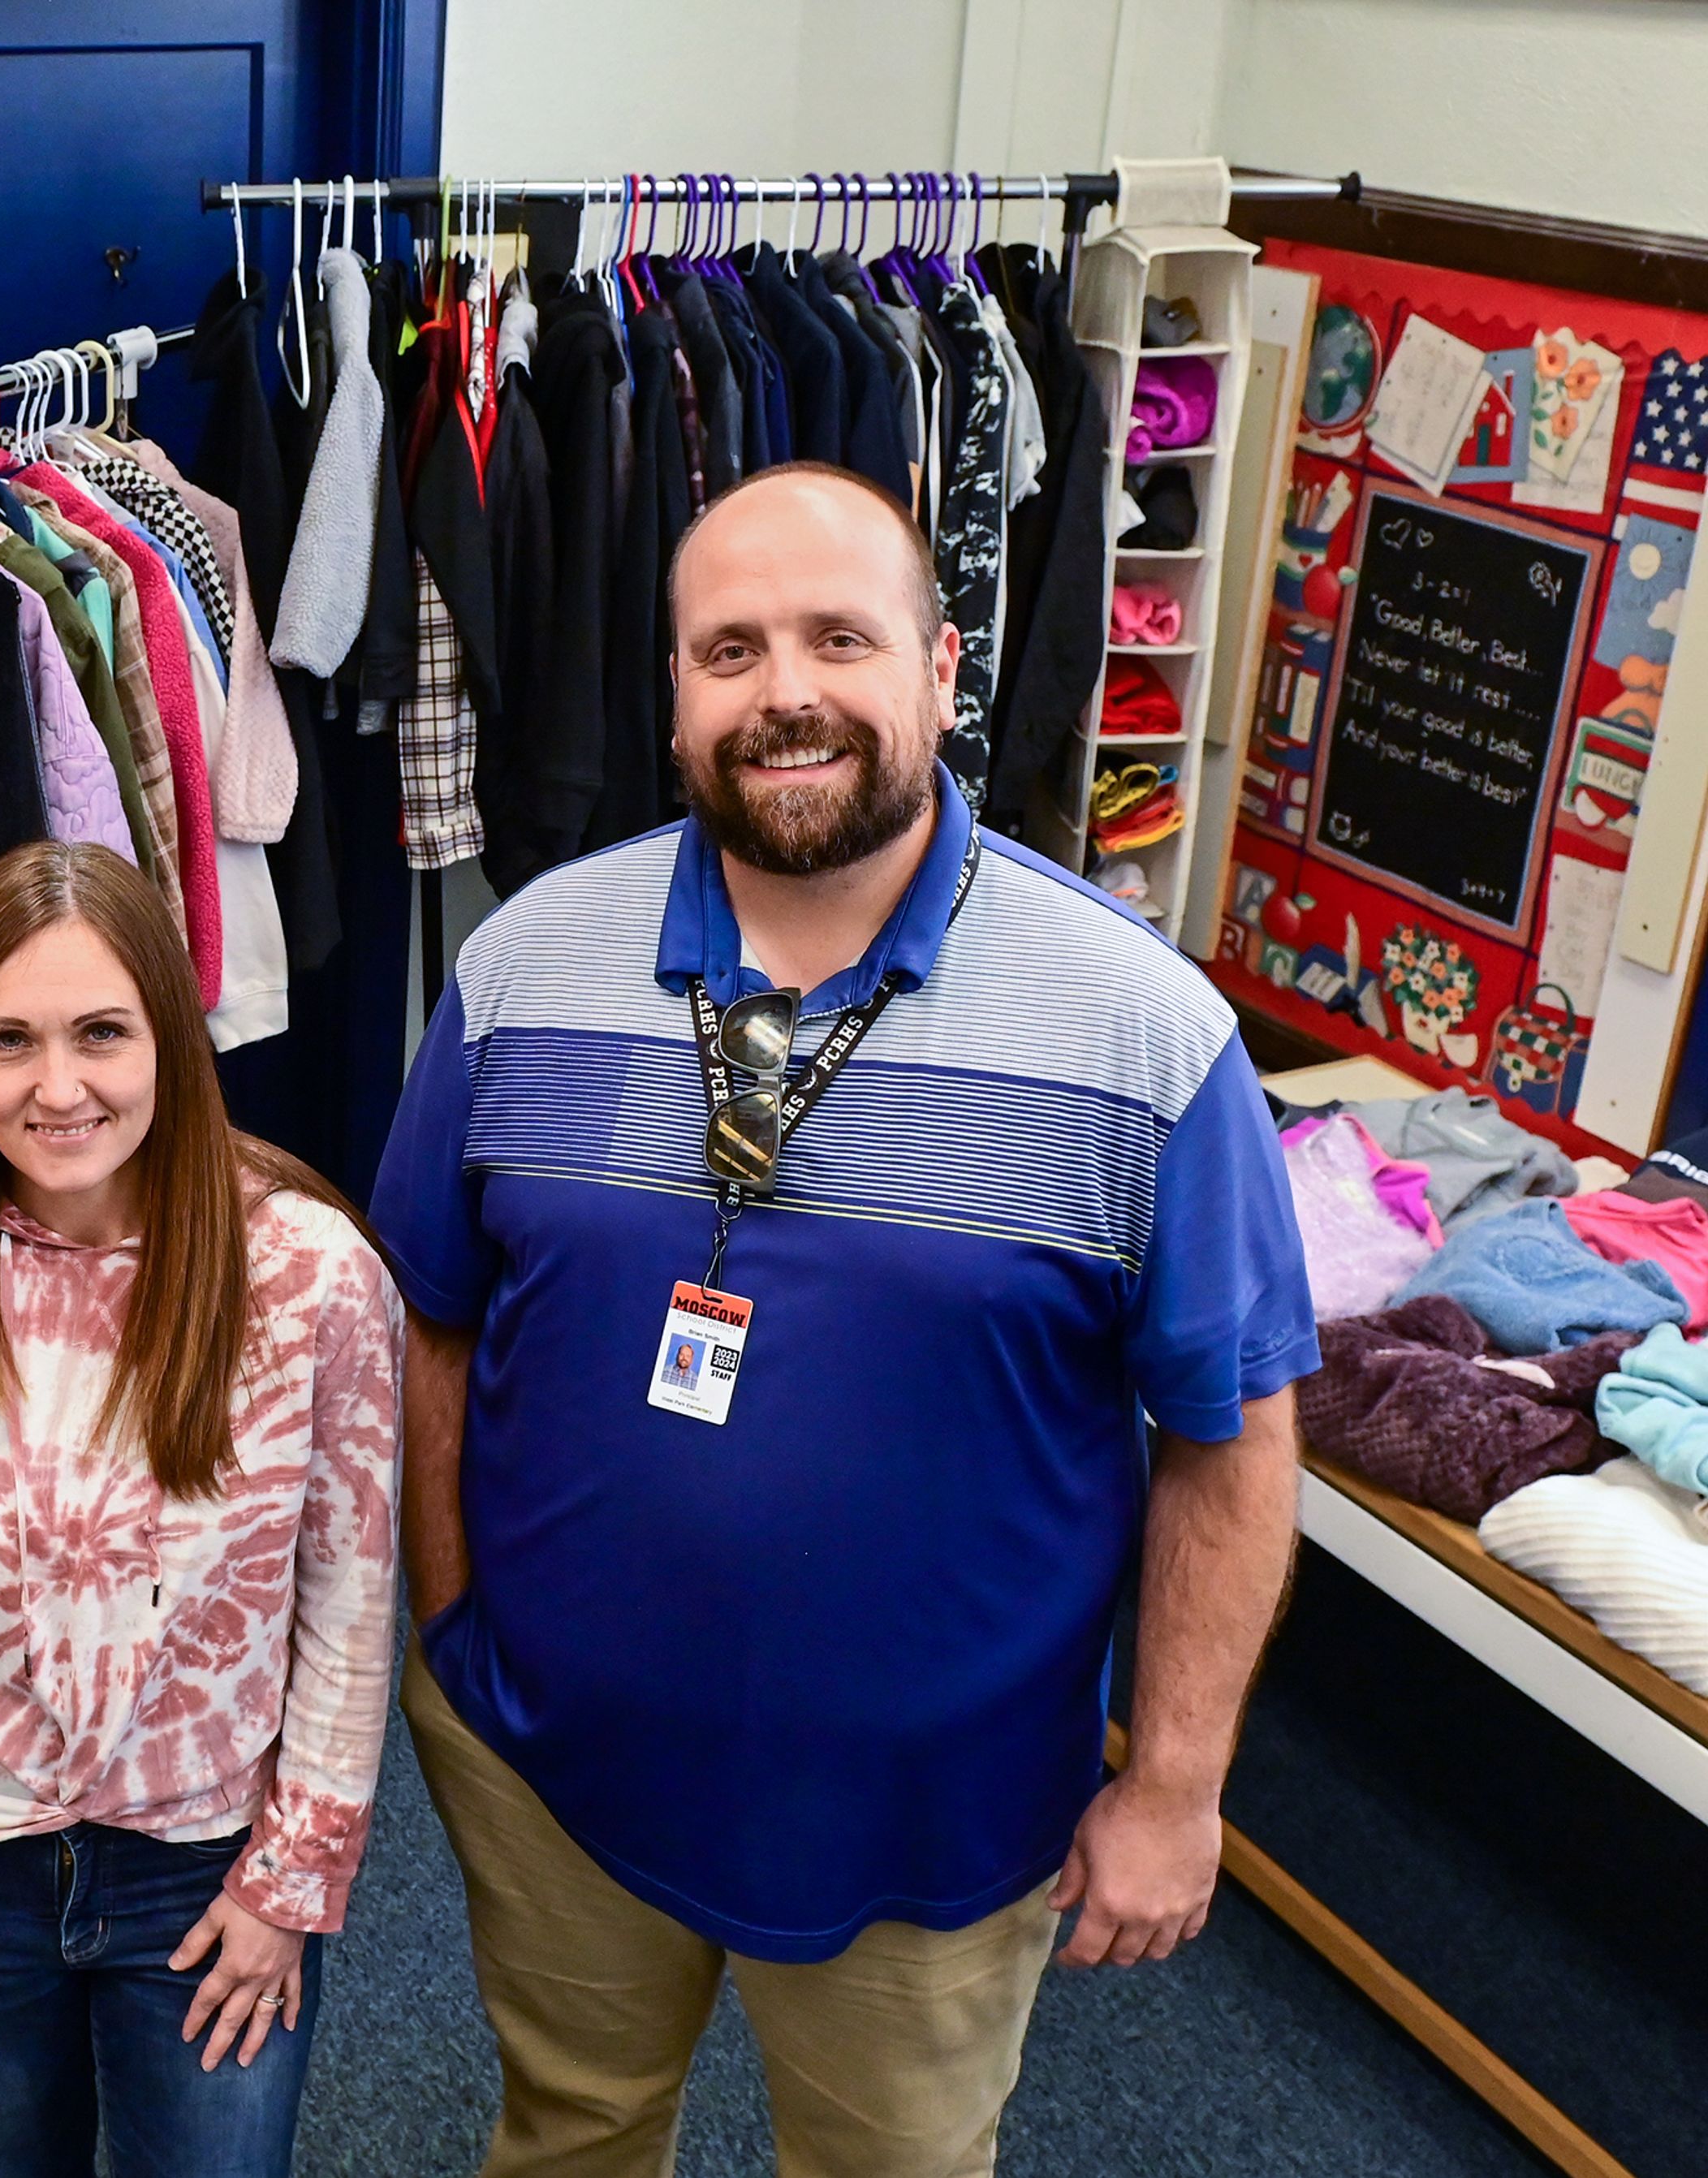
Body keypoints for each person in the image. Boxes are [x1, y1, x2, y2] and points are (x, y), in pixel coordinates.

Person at [372, 463, 1318, 2178]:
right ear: (671, 697)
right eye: (728, 649)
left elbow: (1231, 1430)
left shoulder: (1142, 1034)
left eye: (838, 637)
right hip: (559, 1770)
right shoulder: (520, 972)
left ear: (944, 671)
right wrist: (452, 1639)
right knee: (569, 2130)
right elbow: (435, 1314)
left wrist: (1175, 1783)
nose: (784, 691)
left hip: (938, 1822)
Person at [0, 840, 403, 2178]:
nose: (58, 1089)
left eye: (102, 1033)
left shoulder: (309, 1274)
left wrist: (295, 1882)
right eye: (9, 1042)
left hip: (205, 1860)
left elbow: (351, 1604)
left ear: (171, 1036)